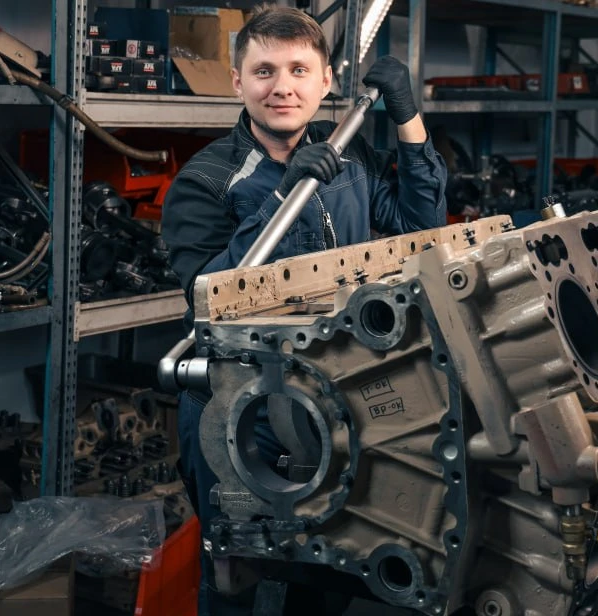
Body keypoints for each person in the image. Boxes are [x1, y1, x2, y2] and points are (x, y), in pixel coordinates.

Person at [160, 6, 447, 615]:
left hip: (334, 396)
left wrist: (408, 119)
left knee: (330, 568)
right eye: (264, 71)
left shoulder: (349, 154)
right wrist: (284, 191)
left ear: (325, 82)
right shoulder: (206, 180)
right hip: (238, 409)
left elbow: (422, 227)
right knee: (237, 578)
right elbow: (208, 293)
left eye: (298, 70)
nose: (282, 87)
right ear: (238, 82)